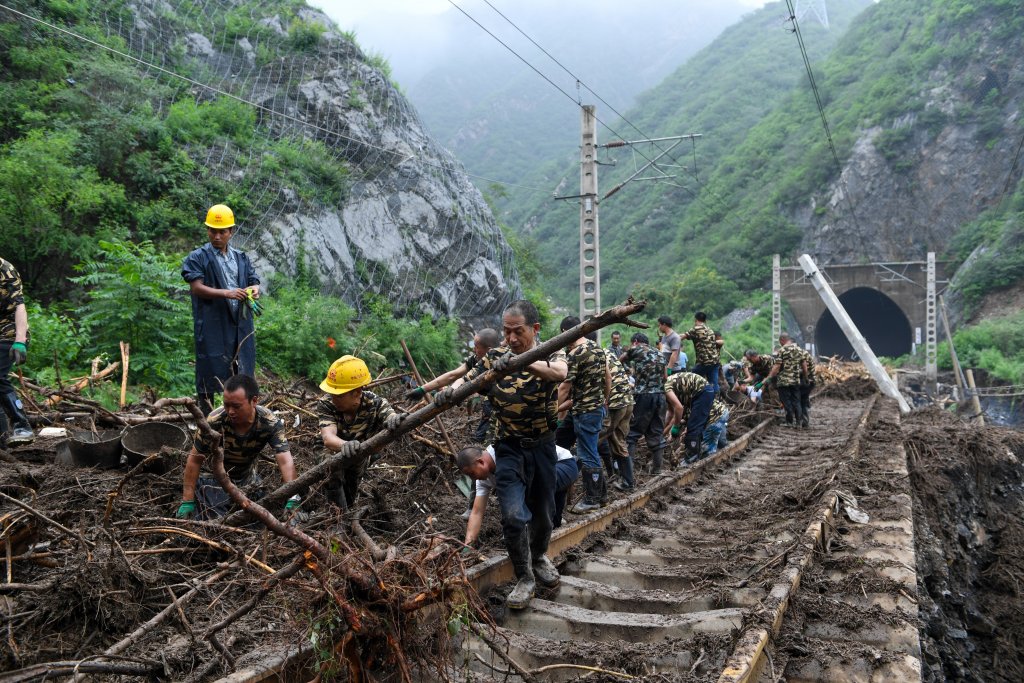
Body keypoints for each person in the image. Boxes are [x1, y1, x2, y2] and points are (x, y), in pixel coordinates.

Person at [435, 299, 568, 610]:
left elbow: (559, 373)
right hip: (508, 448)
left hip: (543, 446)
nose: (510, 339)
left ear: (534, 329)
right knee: (511, 515)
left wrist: (522, 362)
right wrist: (448, 392)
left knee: (544, 513)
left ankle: (538, 556)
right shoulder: (494, 357)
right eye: (506, 332)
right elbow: (465, 380)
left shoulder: (551, 350)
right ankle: (524, 577)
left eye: (517, 332)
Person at [177, 375, 300, 520]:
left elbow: (285, 461)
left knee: (261, 516)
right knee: (216, 517)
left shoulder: (269, 422)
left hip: (247, 479)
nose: (230, 411)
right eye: (226, 405)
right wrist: (187, 501)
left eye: (236, 406)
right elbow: (195, 460)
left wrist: (293, 497)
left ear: (254, 401)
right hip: (214, 478)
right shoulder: (215, 421)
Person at [181, 204, 261, 416]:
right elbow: (197, 288)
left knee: (242, 367)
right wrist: (227, 293)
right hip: (212, 324)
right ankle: (207, 419)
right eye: (212, 231)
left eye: (222, 231)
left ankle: (242, 413)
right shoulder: (198, 257)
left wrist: (254, 289)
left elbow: (254, 280)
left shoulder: (241, 257)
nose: (217, 236)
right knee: (210, 369)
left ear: (231, 232)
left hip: (240, 324)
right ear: (207, 230)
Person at [317, 355, 404, 509]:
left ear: (357, 392)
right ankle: (334, 514)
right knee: (330, 466)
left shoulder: (376, 404)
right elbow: (328, 437)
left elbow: (390, 416)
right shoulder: (326, 403)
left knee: (353, 477)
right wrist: (345, 444)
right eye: (333, 393)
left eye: (340, 395)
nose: (334, 398)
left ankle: (347, 509)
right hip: (332, 450)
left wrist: (394, 420)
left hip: (361, 453)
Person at [459, 443, 578, 549]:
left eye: (472, 473)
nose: (473, 478)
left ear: (481, 462)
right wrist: (468, 546)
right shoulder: (483, 480)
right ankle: (552, 520)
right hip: (542, 480)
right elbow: (477, 512)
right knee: (554, 524)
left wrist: (515, 528)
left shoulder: (505, 453)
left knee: (528, 488)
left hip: (562, 464)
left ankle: (527, 529)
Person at [405, 328, 501, 443]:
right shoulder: (476, 360)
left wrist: (452, 389)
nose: (474, 349)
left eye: (477, 347)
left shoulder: (504, 360)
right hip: (491, 403)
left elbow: (463, 380)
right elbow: (453, 375)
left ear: (489, 350)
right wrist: (422, 390)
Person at [557, 316, 610, 514]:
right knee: (571, 443)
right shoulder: (597, 348)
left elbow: (564, 387)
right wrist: (604, 399)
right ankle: (601, 495)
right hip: (591, 408)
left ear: (566, 332)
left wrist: (552, 409)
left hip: (585, 411)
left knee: (587, 453)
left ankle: (592, 499)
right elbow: (607, 377)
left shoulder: (575, 353)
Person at [622, 333, 667, 475]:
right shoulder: (660, 354)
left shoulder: (636, 349)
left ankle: (627, 475)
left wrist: (626, 372)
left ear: (635, 341)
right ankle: (657, 470)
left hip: (644, 396)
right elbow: (665, 376)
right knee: (656, 433)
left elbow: (618, 361)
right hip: (660, 396)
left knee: (632, 434)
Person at [0, 258, 33, 445]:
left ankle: (22, 424)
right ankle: (3, 439)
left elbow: (19, 305)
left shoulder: (6, 270)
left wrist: (20, 341)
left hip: (10, 331)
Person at [664, 371, 729, 464]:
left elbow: (678, 409)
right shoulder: (673, 389)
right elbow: (672, 413)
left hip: (703, 393)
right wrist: (664, 433)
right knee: (717, 440)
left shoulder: (664, 387)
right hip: (718, 408)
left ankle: (690, 461)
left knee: (694, 432)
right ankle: (724, 449)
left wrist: (676, 427)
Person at [603, 349, 636, 492]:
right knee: (618, 441)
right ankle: (626, 481)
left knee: (595, 438)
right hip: (627, 400)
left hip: (615, 402)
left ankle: (595, 487)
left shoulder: (587, 353)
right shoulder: (607, 352)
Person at [761, 333, 809, 428]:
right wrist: (806, 377)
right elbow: (804, 366)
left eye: (780, 342)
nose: (780, 344)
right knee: (796, 400)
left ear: (782, 340)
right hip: (795, 380)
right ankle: (798, 423)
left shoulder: (782, 350)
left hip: (784, 381)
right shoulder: (799, 350)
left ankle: (789, 422)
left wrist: (769, 377)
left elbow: (777, 366)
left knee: (786, 401)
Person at [681, 312, 723, 394]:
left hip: (704, 362)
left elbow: (682, 337)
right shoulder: (710, 330)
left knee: (692, 379)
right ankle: (716, 400)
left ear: (695, 319)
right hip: (715, 361)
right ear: (705, 320)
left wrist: (670, 338)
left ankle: (692, 397)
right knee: (714, 383)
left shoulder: (696, 329)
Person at [799, 347, 816, 425]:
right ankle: (804, 420)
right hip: (810, 381)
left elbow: (804, 369)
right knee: (803, 400)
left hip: (806, 381)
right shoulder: (805, 353)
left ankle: (802, 421)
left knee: (800, 400)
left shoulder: (800, 354)